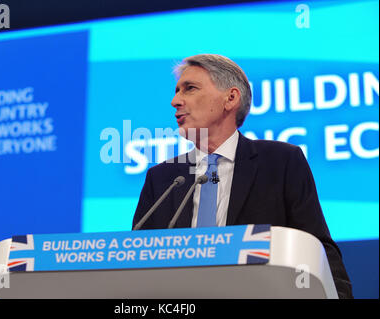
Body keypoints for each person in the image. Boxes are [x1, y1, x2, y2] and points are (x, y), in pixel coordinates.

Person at [132, 54, 353, 299]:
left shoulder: (280, 161)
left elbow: (318, 248)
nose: (175, 101)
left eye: (190, 89)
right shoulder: (163, 178)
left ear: (231, 98)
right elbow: (138, 262)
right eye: (176, 91)